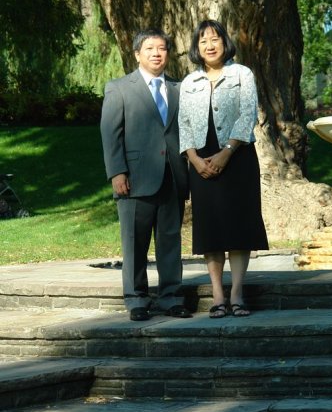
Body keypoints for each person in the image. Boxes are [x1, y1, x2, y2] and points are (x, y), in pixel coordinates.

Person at [178, 19, 268, 318]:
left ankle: (238, 292)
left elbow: (247, 113)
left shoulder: (242, 74)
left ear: (224, 42)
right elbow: (184, 124)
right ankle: (218, 294)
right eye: (203, 40)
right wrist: (193, 158)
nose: (210, 44)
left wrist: (226, 153)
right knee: (211, 228)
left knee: (239, 226)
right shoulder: (189, 82)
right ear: (197, 47)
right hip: (200, 161)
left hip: (237, 157)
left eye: (215, 38)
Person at [100, 28, 192, 321]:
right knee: (134, 241)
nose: (156, 53)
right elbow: (110, 134)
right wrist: (117, 172)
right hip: (134, 179)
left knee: (170, 240)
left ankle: (171, 296)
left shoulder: (179, 89)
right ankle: (136, 299)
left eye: (162, 48)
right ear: (137, 54)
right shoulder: (119, 88)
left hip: (173, 176)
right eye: (150, 48)